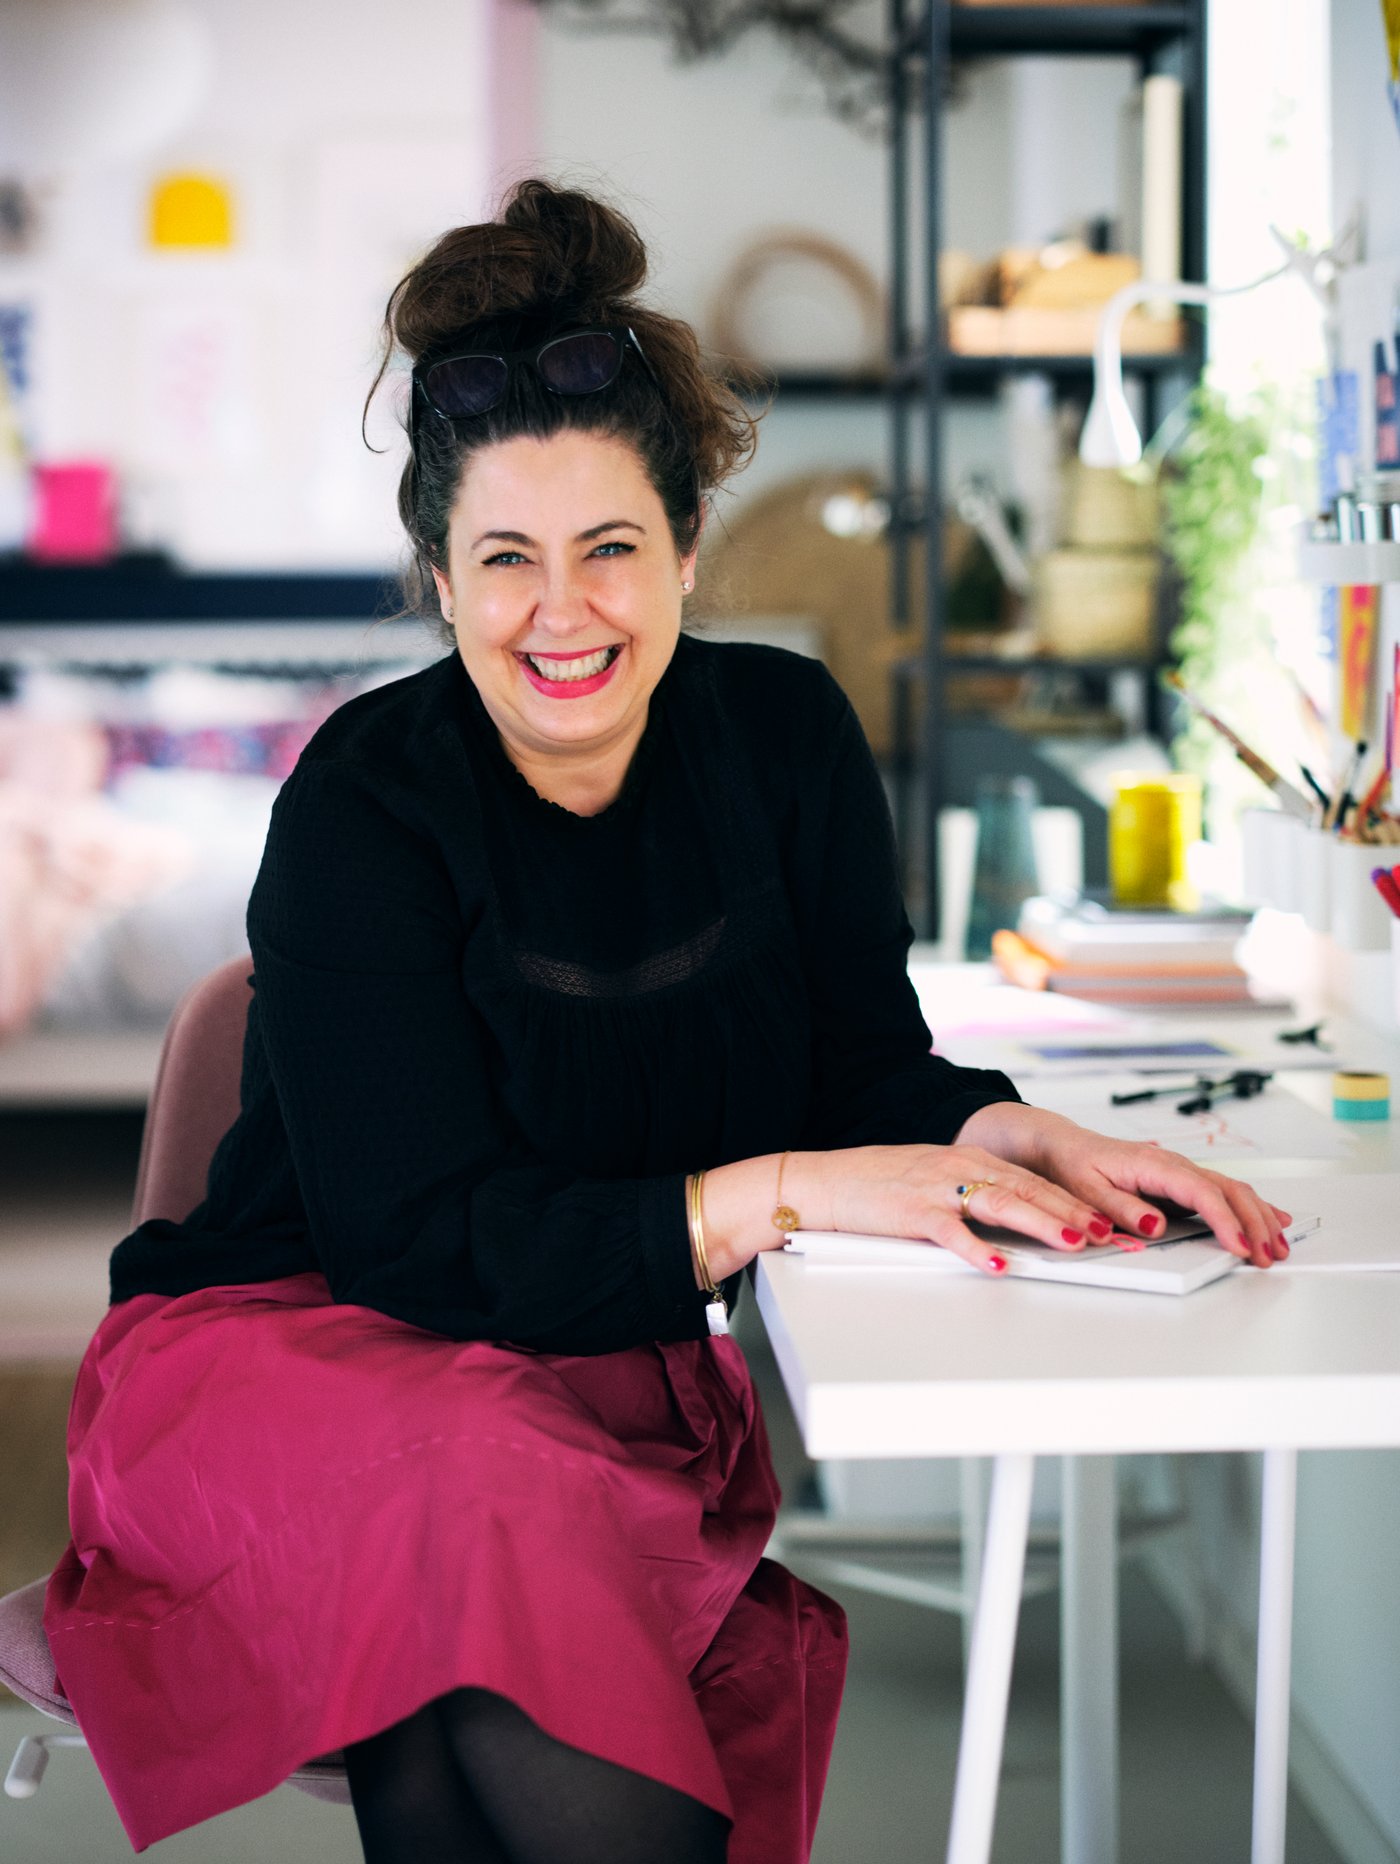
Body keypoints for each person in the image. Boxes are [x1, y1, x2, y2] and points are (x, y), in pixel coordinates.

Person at [41, 179, 1292, 1864]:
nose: (565, 614)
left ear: (689, 547)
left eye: (612, 548)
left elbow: (861, 1060)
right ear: (437, 576)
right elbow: (414, 1242)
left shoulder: (782, 736)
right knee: (474, 1510)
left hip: (562, 1385)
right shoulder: (365, 799)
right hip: (289, 1352)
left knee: (458, 1654)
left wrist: (1009, 1129)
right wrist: (773, 1195)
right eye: (506, 560)